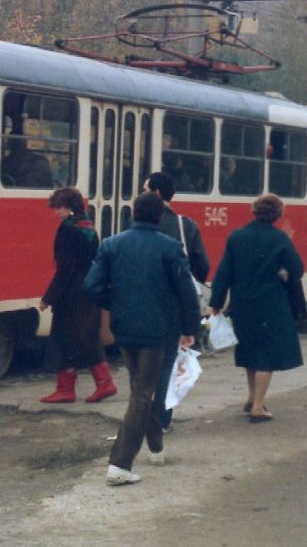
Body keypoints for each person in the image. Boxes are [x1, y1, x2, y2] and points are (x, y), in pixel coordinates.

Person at [83, 192, 200, 486]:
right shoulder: (170, 247)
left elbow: (91, 286)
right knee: (141, 393)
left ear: (133, 213)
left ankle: (157, 447)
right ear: (160, 216)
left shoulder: (112, 244)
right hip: (157, 329)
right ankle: (119, 465)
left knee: (139, 387)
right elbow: (186, 291)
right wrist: (190, 328)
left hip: (123, 328)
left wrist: (116, 303)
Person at [209, 193, 304, 423]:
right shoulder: (279, 238)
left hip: (242, 304)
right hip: (271, 304)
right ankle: (258, 407)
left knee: (250, 352)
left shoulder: (236, 237)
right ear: (278, 214)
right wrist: (282, 272)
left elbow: (223, 273)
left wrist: (216, 303)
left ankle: (252, 398)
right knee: (267, 356)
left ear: (254, 211)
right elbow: (297, 269)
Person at [143, 171, 210, 435]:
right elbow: (202, 265)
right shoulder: (186, 225)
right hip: (172, 308)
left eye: (145, 188)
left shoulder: (133, 225)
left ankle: (140, 416)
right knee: (167, 365)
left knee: (141, 366)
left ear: (157, 193)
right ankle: (161, 418)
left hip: (143, 305)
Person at [38, 187, 117, 404]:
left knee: (66, 337)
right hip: (88, 288)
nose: (56, 212)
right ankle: (98, 383)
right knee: (84, 336)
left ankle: (73, 388)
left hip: (71, 292)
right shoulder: (88, 227)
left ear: (70, 207)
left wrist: (48, 297)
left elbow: (65, 269)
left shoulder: (68, 229)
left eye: (59, 207)